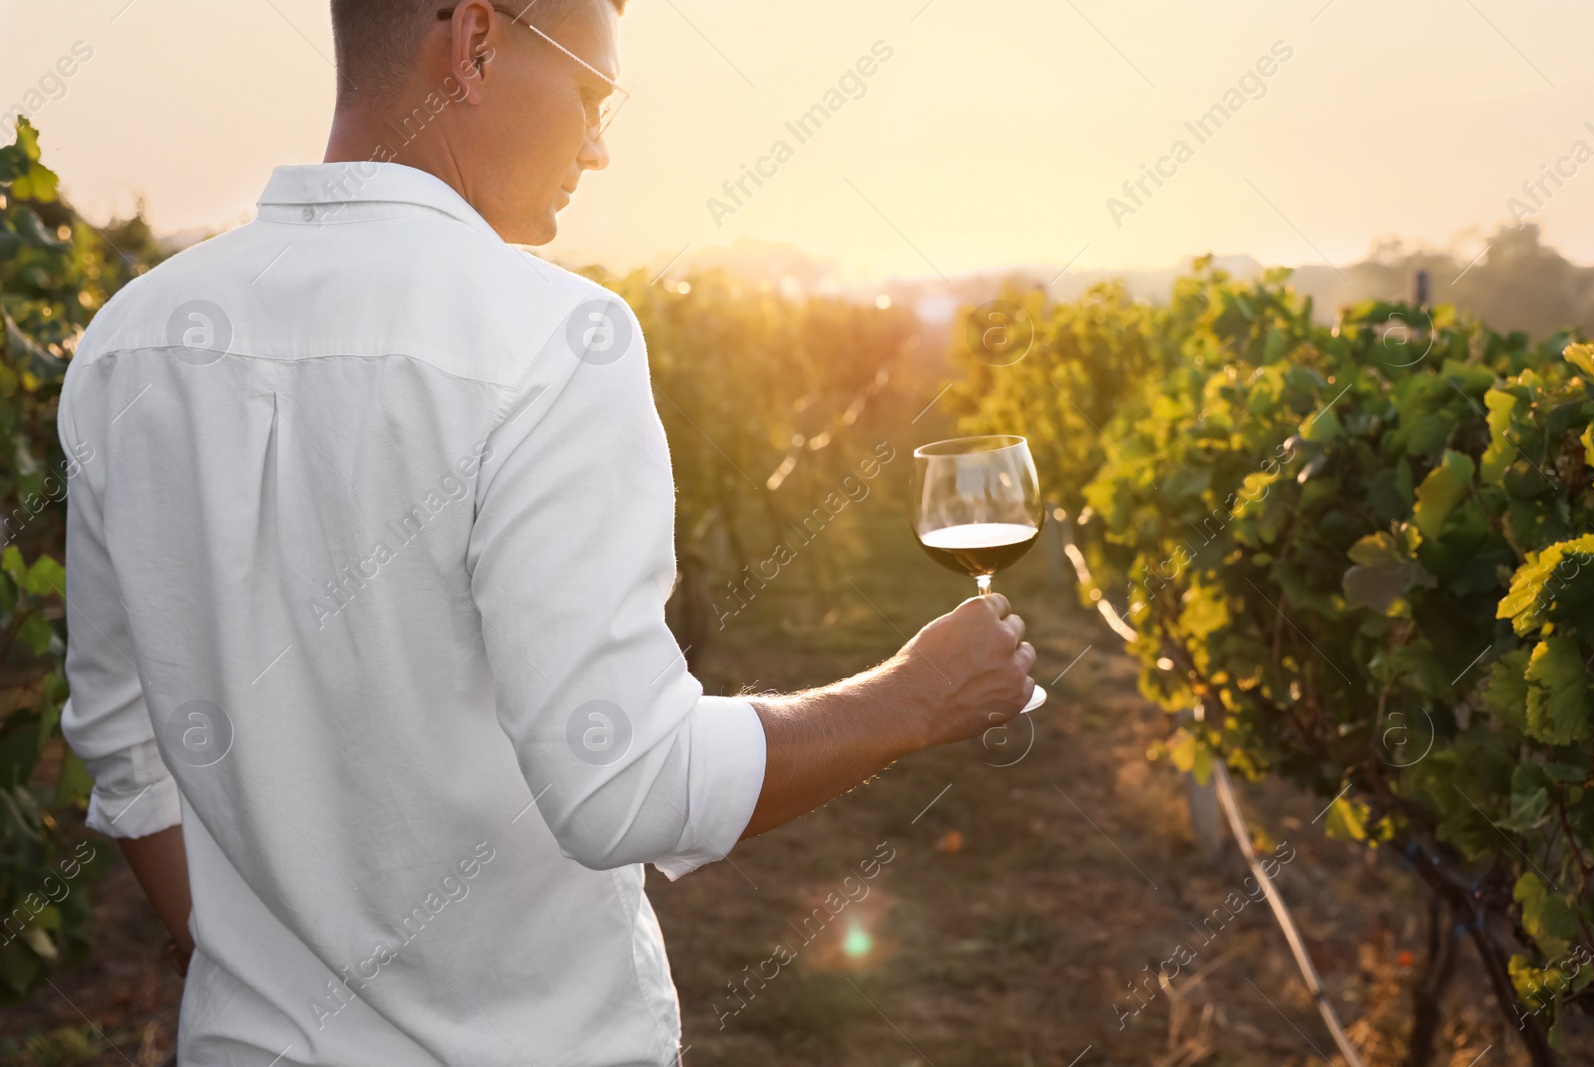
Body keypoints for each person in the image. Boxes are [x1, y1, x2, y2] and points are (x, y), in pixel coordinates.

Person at [56, 1, 1036, 1063]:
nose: (603, 146)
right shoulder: (551, 338)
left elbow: (125, 751)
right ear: (475, 42)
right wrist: (908, 696)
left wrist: (278, 986)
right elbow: (625, 781)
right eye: (592, 93)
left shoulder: (128, 341)